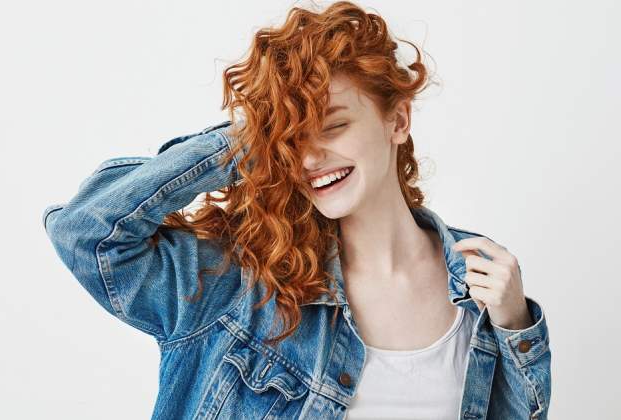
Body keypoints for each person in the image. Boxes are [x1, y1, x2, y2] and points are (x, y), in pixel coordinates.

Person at [42, 1, 551, 419]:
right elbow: (87, 234)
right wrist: (248, 143)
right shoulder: (237, 283)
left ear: (398, 121)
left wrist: (515, 325)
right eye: (291, 137)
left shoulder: (480, 285)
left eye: (333, 126)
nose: (308, 158)